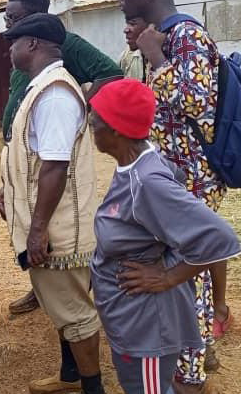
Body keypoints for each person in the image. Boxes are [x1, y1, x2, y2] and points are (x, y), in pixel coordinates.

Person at [88, 79, 240, 393]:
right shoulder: (135, 167)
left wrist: (169, 277)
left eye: (95, 121)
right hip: (131, 321)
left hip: (147, 327)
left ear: (117, 129)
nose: (90, 126)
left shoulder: (147, 182)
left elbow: (218, 237)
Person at [120, 0, 230, 390]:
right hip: (175, 178)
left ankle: (191, 374)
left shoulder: (187, 35)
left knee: (190, 273)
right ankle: (193, 356)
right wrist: (147, 49)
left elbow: (197, 103)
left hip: (194, 181)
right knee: (188, 270)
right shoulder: (164, 34)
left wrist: (157, 57)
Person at [0, 0, 124, 317]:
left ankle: (74, 292)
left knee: (57, 231)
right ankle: (42, 289)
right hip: (27, 151)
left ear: (36, 24)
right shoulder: (22, 51)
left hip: (50, 152)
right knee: (36, 234)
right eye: (7, 18)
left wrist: (79, 107)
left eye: (15, 19)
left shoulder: (64, 45)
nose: (9, 26)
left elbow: (110, 72)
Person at [1, 14, 104, 394]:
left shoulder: (56, 93)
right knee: (63, 309)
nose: (9, 49)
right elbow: (33, 156)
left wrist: (38, 229)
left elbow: (55, 167)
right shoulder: (42, 86)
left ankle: (92, 388)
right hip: (49, 226)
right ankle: (70, 376)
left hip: (58, 232)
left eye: (14, 41)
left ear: (32, 44)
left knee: (75, 315)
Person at [118, 16, 149, 82]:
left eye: (132, 24)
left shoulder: (166, 55)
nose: (126, 30)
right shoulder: (125, 57)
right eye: (127, 24)